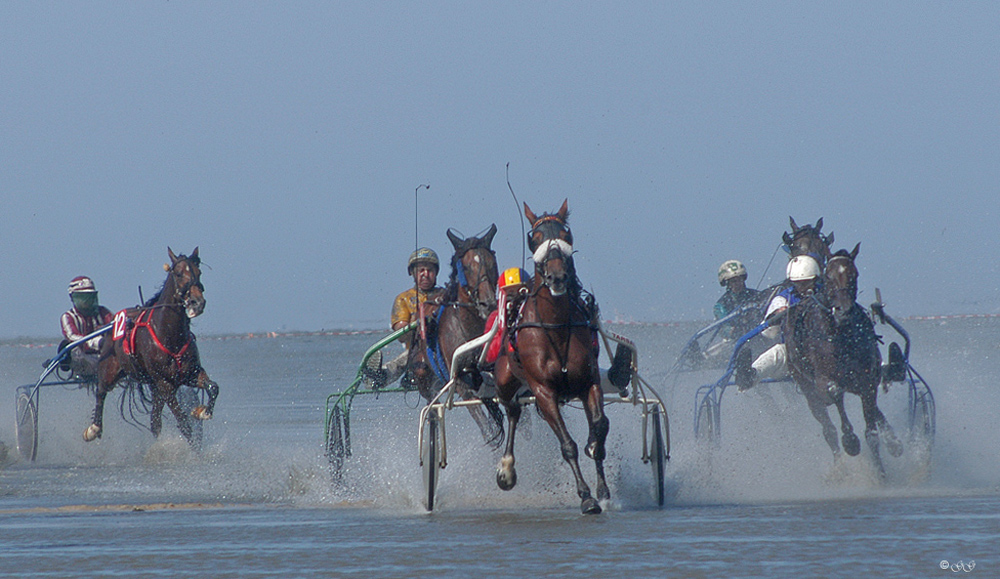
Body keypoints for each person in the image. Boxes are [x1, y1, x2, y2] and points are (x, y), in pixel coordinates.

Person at [734, 255, 821, 392]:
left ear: (815, 279)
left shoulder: (828, 295)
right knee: (776, 353)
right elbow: (768, 333)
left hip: (825, 350)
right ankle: (749, 376)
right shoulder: (783, 299)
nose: (803, 287)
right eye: (798, 283)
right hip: (796, 354)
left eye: (807, 282)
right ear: (792, 282)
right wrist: (778, 315)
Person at [365, 248, 445, 389]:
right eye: (421, 270)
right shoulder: (404, 299)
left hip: (445, 349)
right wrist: (417, 322)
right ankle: (380, 375)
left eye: (430, 270)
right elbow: (401, 335)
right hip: (417, 351)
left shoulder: (446, 296)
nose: (425, 275)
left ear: (436, 273)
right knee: (408, 356)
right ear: (413, 273)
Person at [60, 276, 114, 378]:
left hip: (105, 356)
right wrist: (98, 342)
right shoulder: (68, 317)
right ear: (72, 298)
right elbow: (73, 337)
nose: (87, 301)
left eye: (90, 297)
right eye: (83, 298)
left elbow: (116, 325)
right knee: (70, 348)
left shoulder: (103, 312)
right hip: (84, 359)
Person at [713, 260, 764, 339]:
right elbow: (725, 329)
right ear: (727, 283)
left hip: (761, 335)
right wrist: (740, 329)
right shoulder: (721, 305)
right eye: (733, 281)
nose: (738, 283)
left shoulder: (757, 295)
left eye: (740, 279)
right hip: (736, 342)